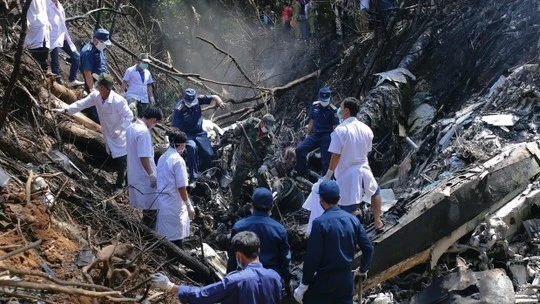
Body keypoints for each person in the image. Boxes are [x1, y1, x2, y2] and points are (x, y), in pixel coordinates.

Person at [293, 181, 373, 304]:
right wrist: (362, 269)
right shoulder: (352, 220)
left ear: (321, 199)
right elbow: (368, 248)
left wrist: (304, 285)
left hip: (325, 282)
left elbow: (312, 258)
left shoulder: (319, 223)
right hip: (346, 280)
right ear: (339, 198)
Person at [52, 73, 133, 193]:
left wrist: (120, 129)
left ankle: (120, 185)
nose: (95, 85)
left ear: (102, 87)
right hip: (107, 132)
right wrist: (65, 110)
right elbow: (81, 104)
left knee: (122, 158)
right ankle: (118, 177)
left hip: (119, 133)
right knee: (111, 153)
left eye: (98, 83)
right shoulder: (96, 96)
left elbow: (129, 116)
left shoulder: (119, 101)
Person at [151, 231, 282, 304]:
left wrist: (170, 286)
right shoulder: (275, 277)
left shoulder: (236, 281)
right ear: (258, 250)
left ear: (238, 255)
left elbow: (203, 295)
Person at [324, 97, 383, 230]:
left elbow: (336, 155)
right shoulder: (366, 129)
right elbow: (367, 151)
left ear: (346, 111)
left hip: (347, 173)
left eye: (341, 108)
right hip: (364, 167)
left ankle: (354, 238)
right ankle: (378, 221)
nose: (339, 111)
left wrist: (328, 174)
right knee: (375, 192)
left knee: (347, 208)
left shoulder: (340, 131)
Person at [227, 187, 291, 289]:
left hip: (245, 282)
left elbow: (232, 259)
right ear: (272, 207)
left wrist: (229, 281)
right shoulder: (279, 229)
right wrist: (287, 282)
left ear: (252, 205)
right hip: (271, 282)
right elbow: (285, 260)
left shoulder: (239, 226)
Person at [171, 88, 225, 183]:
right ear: (183, 99)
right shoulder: (179, 108)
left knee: (210, 154)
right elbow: (175, 129)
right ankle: (193, 178)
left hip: (199, 133)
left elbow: (214, 97)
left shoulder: (199, 99)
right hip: (187, 134)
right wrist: (179, 142)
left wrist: (220, 102)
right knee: (192, 148)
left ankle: (208, 171)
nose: (191, 105)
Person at [155, 130, 195, 249]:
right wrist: (188, 205)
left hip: (162, 202)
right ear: (182, 144)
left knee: (165, 238)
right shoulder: (178, 161)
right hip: (174, 204)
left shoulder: (163, 157)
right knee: (176, 241)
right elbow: (181, 186)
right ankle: (175, 265)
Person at [126, 107, 162, 228]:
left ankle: (144, 229)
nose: (154, 125)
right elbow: (144, 157)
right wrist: (151, 175)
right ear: (153, 120)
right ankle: (149, 234)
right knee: (152, 206)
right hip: (144, 175)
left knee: (146, 205)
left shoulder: (131, 127)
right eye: (155, 123)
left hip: (135, 172)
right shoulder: (143, 132)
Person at [230, 114, 276, 203]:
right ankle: (234, 203)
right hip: (244, 159)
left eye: (269, 128)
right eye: (266, 127)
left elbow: (270, 154)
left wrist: (265, 165)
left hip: (257, 163)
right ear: (262, 123)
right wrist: (238, 136)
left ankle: (264, 204)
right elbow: (237, 131)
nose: (267, 129)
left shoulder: (270, 137)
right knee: (236, 182)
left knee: (264, 185)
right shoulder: (251, 123)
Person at [295, 87, 339, 178]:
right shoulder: (315, 106)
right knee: (299, 150)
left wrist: (336, 141)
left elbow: (335, 127)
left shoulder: (333, 110)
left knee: (326, 160)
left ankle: (326, 180)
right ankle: (302, 172)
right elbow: (311, 121)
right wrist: (307, 135)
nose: (324, 102)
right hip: (316, 135)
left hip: (327, 137)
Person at [46, 0, 83, 87]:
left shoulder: (59, 5)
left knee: (76, 57)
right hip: (52, 38)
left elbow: (62, 23)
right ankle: (57, 83)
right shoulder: (45, 4)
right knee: (55, 62)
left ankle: (72, 80)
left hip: (63, 36)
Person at [80, 28, 111, 123]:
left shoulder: (99, 47)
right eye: (103, 42)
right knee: (97, 107)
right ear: (95, 40)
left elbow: (102, 63)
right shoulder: (88, 52)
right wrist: (92, 89)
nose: (104, 45)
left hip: (103, 81)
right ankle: (98, 126)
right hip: (94, 83)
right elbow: (87, 72)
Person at [120, 53, 156, 118]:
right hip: (132, 95)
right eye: (144, 62)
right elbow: (125, 82)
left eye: (147, 63)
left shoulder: (148, 73)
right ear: (138, 61)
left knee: (144, 116)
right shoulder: (130, 70)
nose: (146, 64)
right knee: (132, 107)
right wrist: (122, 93)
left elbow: (149, 85)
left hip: (144, 98)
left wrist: (151, 97)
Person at [24, 0, 50, 71]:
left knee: (44, 56)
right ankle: (38, 75)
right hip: (35, 28)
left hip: (44, 29)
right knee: (36, 56)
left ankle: (44, 75)